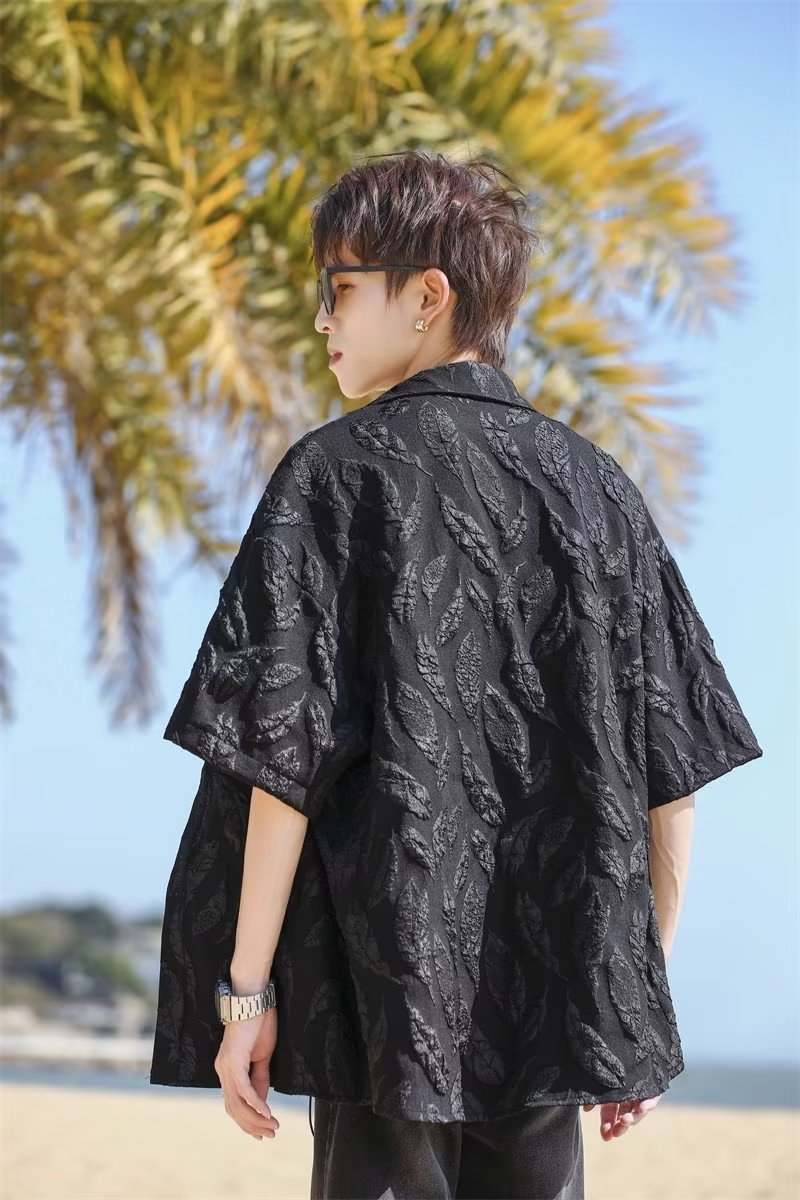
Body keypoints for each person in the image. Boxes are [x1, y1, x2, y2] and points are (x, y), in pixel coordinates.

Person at [149, 150, 763, 1200]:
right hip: (554, 1006)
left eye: (341, 287)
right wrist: (625, 1004)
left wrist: (245, 998)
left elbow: (280, 766)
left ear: (426, 296)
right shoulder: (601, 492)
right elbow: (672, 776)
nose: (323, 319)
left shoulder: (336, 476)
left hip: (381, 1003)